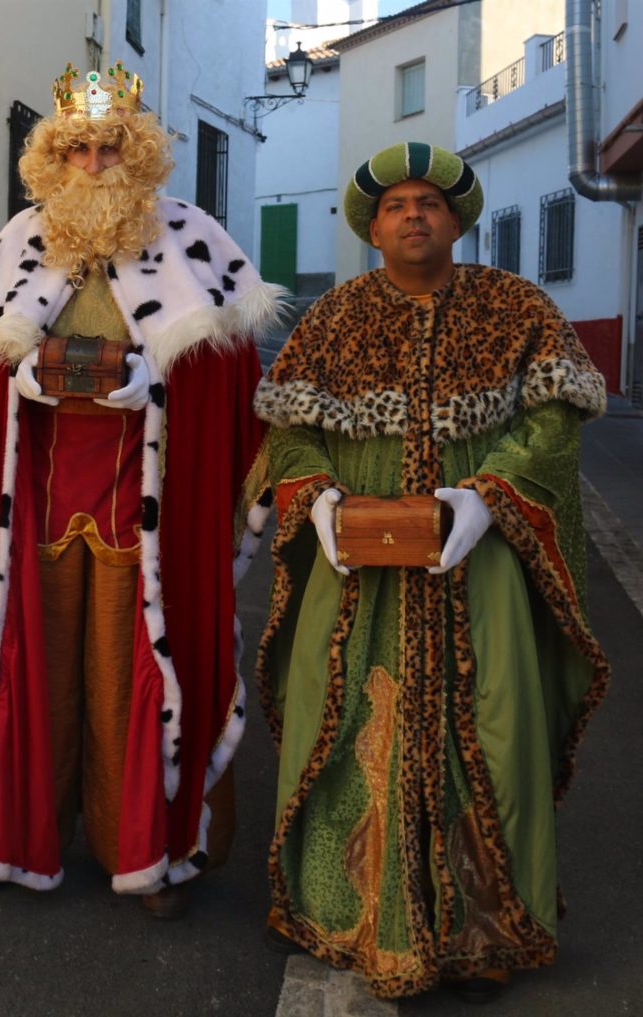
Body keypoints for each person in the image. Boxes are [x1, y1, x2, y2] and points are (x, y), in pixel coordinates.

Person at [249, 142, 610, 998]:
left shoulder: (516, 307)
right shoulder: (332, 319)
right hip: (359, 570)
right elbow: (290, 432)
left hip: (477, 563)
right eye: (397, 204)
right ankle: (351, 913)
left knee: (488, 730)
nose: (414, 213)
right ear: (371, 226)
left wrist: (491, 494)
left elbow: (558, 416)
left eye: (430, 203)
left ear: (457, 220)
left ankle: (481, 930)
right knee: (351, 732)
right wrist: (322, 499)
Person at [0, 60, 283, 916]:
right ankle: (8, 835)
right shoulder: (20, 239)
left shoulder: (188, 235)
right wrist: (15, 378)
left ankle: (150, 846)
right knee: (24, 663)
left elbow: (232, 376)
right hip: (39, 495)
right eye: (79, 148)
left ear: (140, 153)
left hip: (149, 499)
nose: (95, 164)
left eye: (110, 147)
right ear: (55, 158)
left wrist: (160, 388)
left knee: (136, 669)